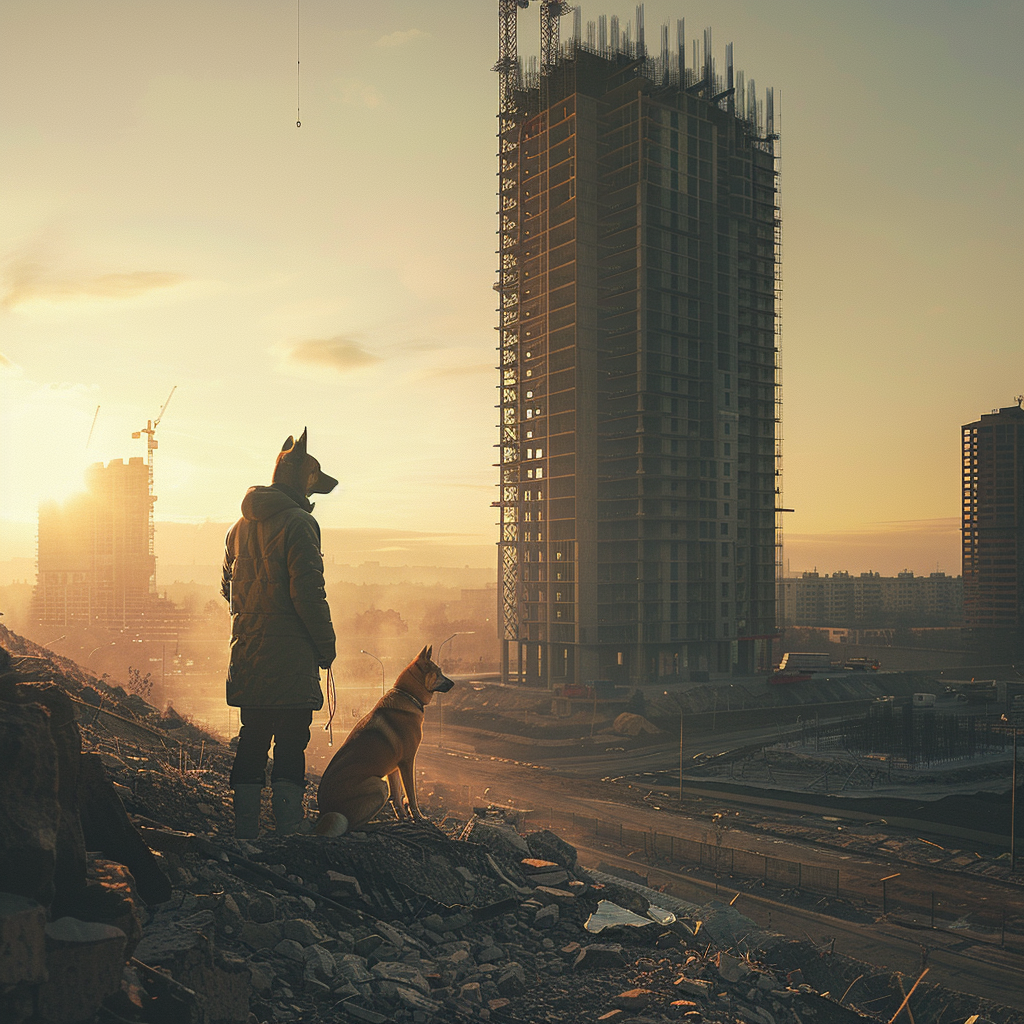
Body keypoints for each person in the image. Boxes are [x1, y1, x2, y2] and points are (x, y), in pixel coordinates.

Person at [222, 429, 337, 838]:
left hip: (249, 654)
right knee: (291, 740)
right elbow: (308, 591)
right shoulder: (301, 523)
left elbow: (227, 589)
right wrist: (326, 647)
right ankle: (288, 826)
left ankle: (246, 829)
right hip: (290, 660)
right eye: (315, 476)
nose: (320, 485)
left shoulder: (238, 528)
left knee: (252, 737)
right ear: (299, 476)